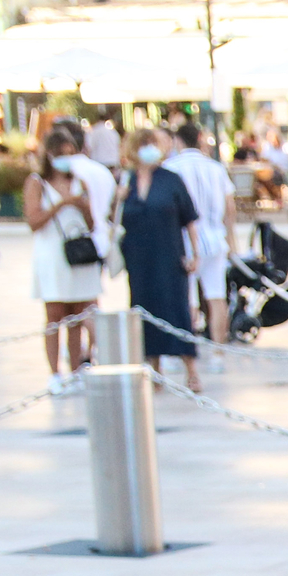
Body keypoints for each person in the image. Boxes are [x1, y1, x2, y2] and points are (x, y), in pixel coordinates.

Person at [115, 125, 202, 391]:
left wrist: (195, 254)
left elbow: (189, 220)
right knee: (143, 308)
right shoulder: (125, 182)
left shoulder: (171, 179)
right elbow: (117, 220)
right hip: (138, 257)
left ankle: (191, 369)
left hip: (169, 253)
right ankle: (154, 368)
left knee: (176, 308)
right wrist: (117, 201)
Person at [24, 124, 103, 384]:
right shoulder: (37, 183)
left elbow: (92, 224)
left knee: (78, 316)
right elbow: (34, 221)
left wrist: (83, 207)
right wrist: (62, 203)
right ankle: (54, 372)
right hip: (52, 254)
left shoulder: (80, 181)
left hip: (79, 254)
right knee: (54, 315)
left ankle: (76, 367)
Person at [166, 121, 235, 346]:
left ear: (178, 141)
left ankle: (185, 347)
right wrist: (230, 238)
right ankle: (219, 350)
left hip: (183, 241)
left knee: (187, 298)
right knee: (216, 296)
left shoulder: (171, 168)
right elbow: (229, 205)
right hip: (215, 238)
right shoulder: (216, 168)